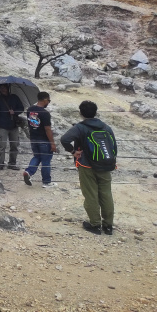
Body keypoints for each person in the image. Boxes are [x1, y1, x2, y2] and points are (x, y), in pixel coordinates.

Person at [61, 101, 117, 235]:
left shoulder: (80, 127)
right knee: (106, 194)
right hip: (105, 165)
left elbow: (64, 139)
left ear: (81, 113)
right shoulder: (106, 127)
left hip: (86, 165)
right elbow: (113, 146)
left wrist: (73, 152)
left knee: (91, 194)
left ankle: (95, 224)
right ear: (96, 112)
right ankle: (108, 226)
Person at [23, 91, 57, 187]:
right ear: (45, 100)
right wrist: (52, 143)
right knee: (46, 160)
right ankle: (46, 182)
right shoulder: (45, 113)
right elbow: (47, 129)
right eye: (49, 101)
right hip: (44, 140)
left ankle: (28, 171)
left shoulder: (30, 110)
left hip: (33, 138)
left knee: (37, 157)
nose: (49, 103)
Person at [0, 84, 24, 170]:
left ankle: (12, 163)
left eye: (4, 88)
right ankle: (0, 164)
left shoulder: (15, 97)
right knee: (1, 146)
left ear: (8, 88)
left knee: (14, 145)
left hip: (14, 125)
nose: (3, 89)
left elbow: (21, 108)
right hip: (2, 126)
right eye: (1, 88)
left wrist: (14, 112)